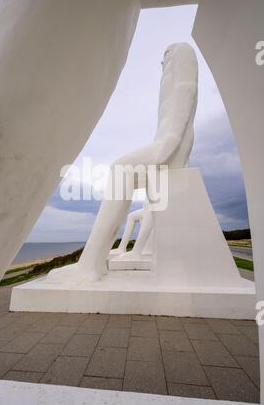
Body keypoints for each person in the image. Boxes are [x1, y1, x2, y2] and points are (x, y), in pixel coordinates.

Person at [45, 42, 198, 285]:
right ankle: (93, 263)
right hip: (168, 141)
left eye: (162, 58)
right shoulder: (168, 68)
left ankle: (89, 265)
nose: (161, 64)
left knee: (120, 169)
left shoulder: (180, 51)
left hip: (172, 143)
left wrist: (170, 141)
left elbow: (186, 89)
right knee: (121, 173)